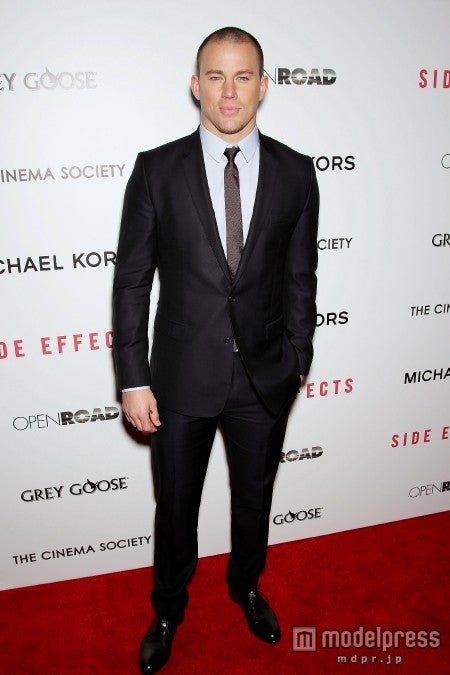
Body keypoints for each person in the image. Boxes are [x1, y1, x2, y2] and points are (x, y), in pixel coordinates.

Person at [113, 26, 319, 674]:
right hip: (179, 379)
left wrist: (298, 359)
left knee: (255, 497)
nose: (229, 91)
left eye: (243, 76)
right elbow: (132, 281)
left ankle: (246, 585)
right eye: (216, 76)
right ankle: (167, 609)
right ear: (195, 84)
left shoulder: (296, 171)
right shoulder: (157, 168)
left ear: (264, 85)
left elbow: (301, 277)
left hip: (265, 376)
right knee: (176, 505)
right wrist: (133, 378)